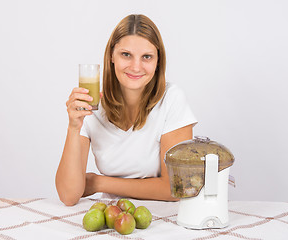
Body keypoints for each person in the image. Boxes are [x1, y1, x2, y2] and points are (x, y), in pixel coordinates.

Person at [55, 14, 197, 206]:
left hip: (164, 217)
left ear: (157, 62)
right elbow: (68, 195)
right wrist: (73, 127)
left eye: (146, 57)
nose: (136, 67)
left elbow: (175, 188)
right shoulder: (91, 105)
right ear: (112, 56)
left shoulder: (171, 99)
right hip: (112, 218)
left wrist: (99, 182)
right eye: (126, 55)